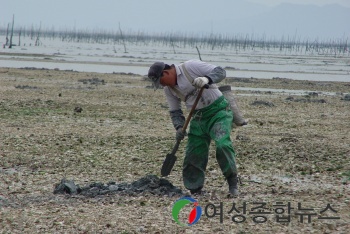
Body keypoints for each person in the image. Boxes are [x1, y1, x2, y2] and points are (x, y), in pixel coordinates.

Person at [148, 59, 239, 196]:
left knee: (222, 144)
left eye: (161, 82)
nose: (161, 85)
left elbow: (221, 71)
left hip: (219, 111)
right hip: (198, 118)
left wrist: (207, 79)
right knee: (194, 153)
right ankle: (195, 188)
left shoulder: (190, 67)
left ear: (166, 72)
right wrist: (179, 127)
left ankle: (233, 183)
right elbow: (175, 111)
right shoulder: (169, 90)